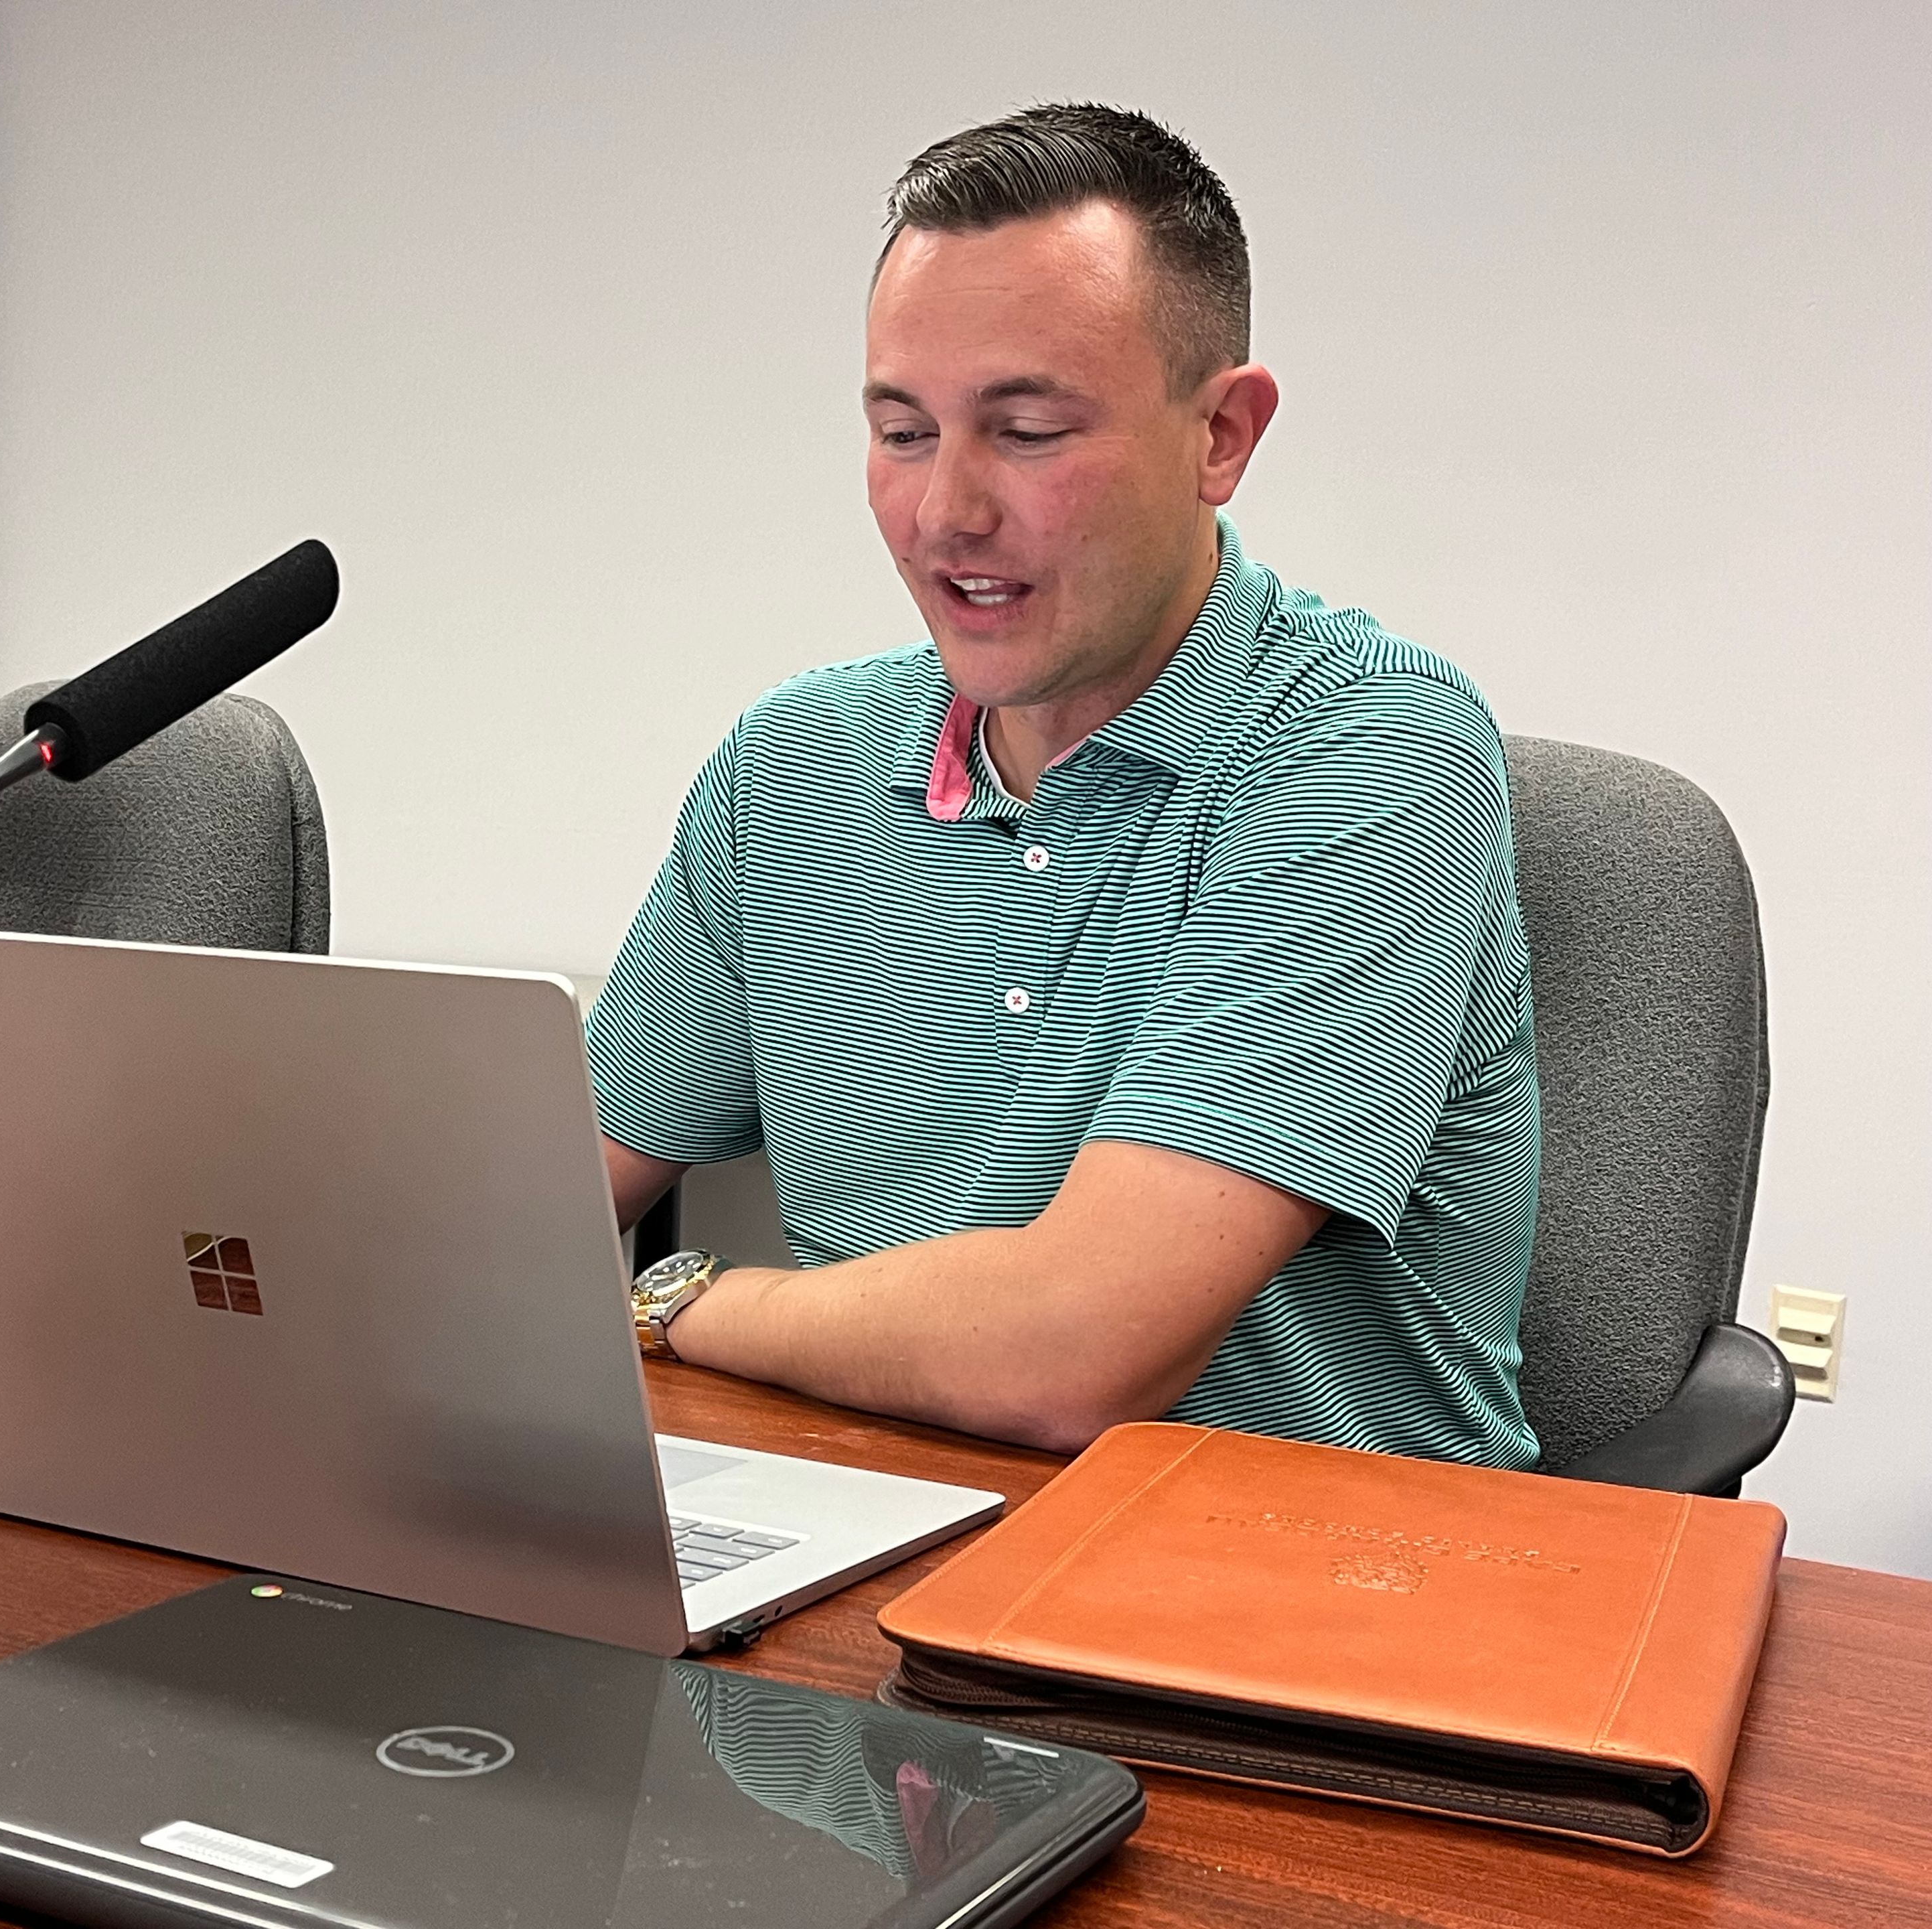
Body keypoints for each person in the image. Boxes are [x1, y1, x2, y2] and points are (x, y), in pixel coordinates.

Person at [590, 104, 1542, 1470]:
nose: (945, 514)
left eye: (1026, 431)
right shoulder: (789, 769)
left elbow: (1074, 1357)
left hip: (1302, 1605)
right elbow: (516, 1215)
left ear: (1222, 435)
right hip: (870, 1538)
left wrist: (689, 1301)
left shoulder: (1373, 750)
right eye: (904, 432)